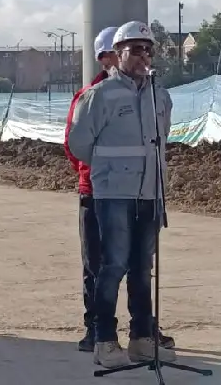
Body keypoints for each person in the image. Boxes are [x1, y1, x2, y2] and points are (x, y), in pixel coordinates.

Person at [66, 20, 178, 369]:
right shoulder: (99, 96)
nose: (143, 56)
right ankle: (103, 340)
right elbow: (78, 144)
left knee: (143, 268)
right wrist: (111, 169)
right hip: (114, 194)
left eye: (148, 49)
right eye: (135, 50)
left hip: (148, 194)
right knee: (112, 266)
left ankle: (143, 337)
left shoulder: (160, 95)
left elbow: (162, 138)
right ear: (117, 55)